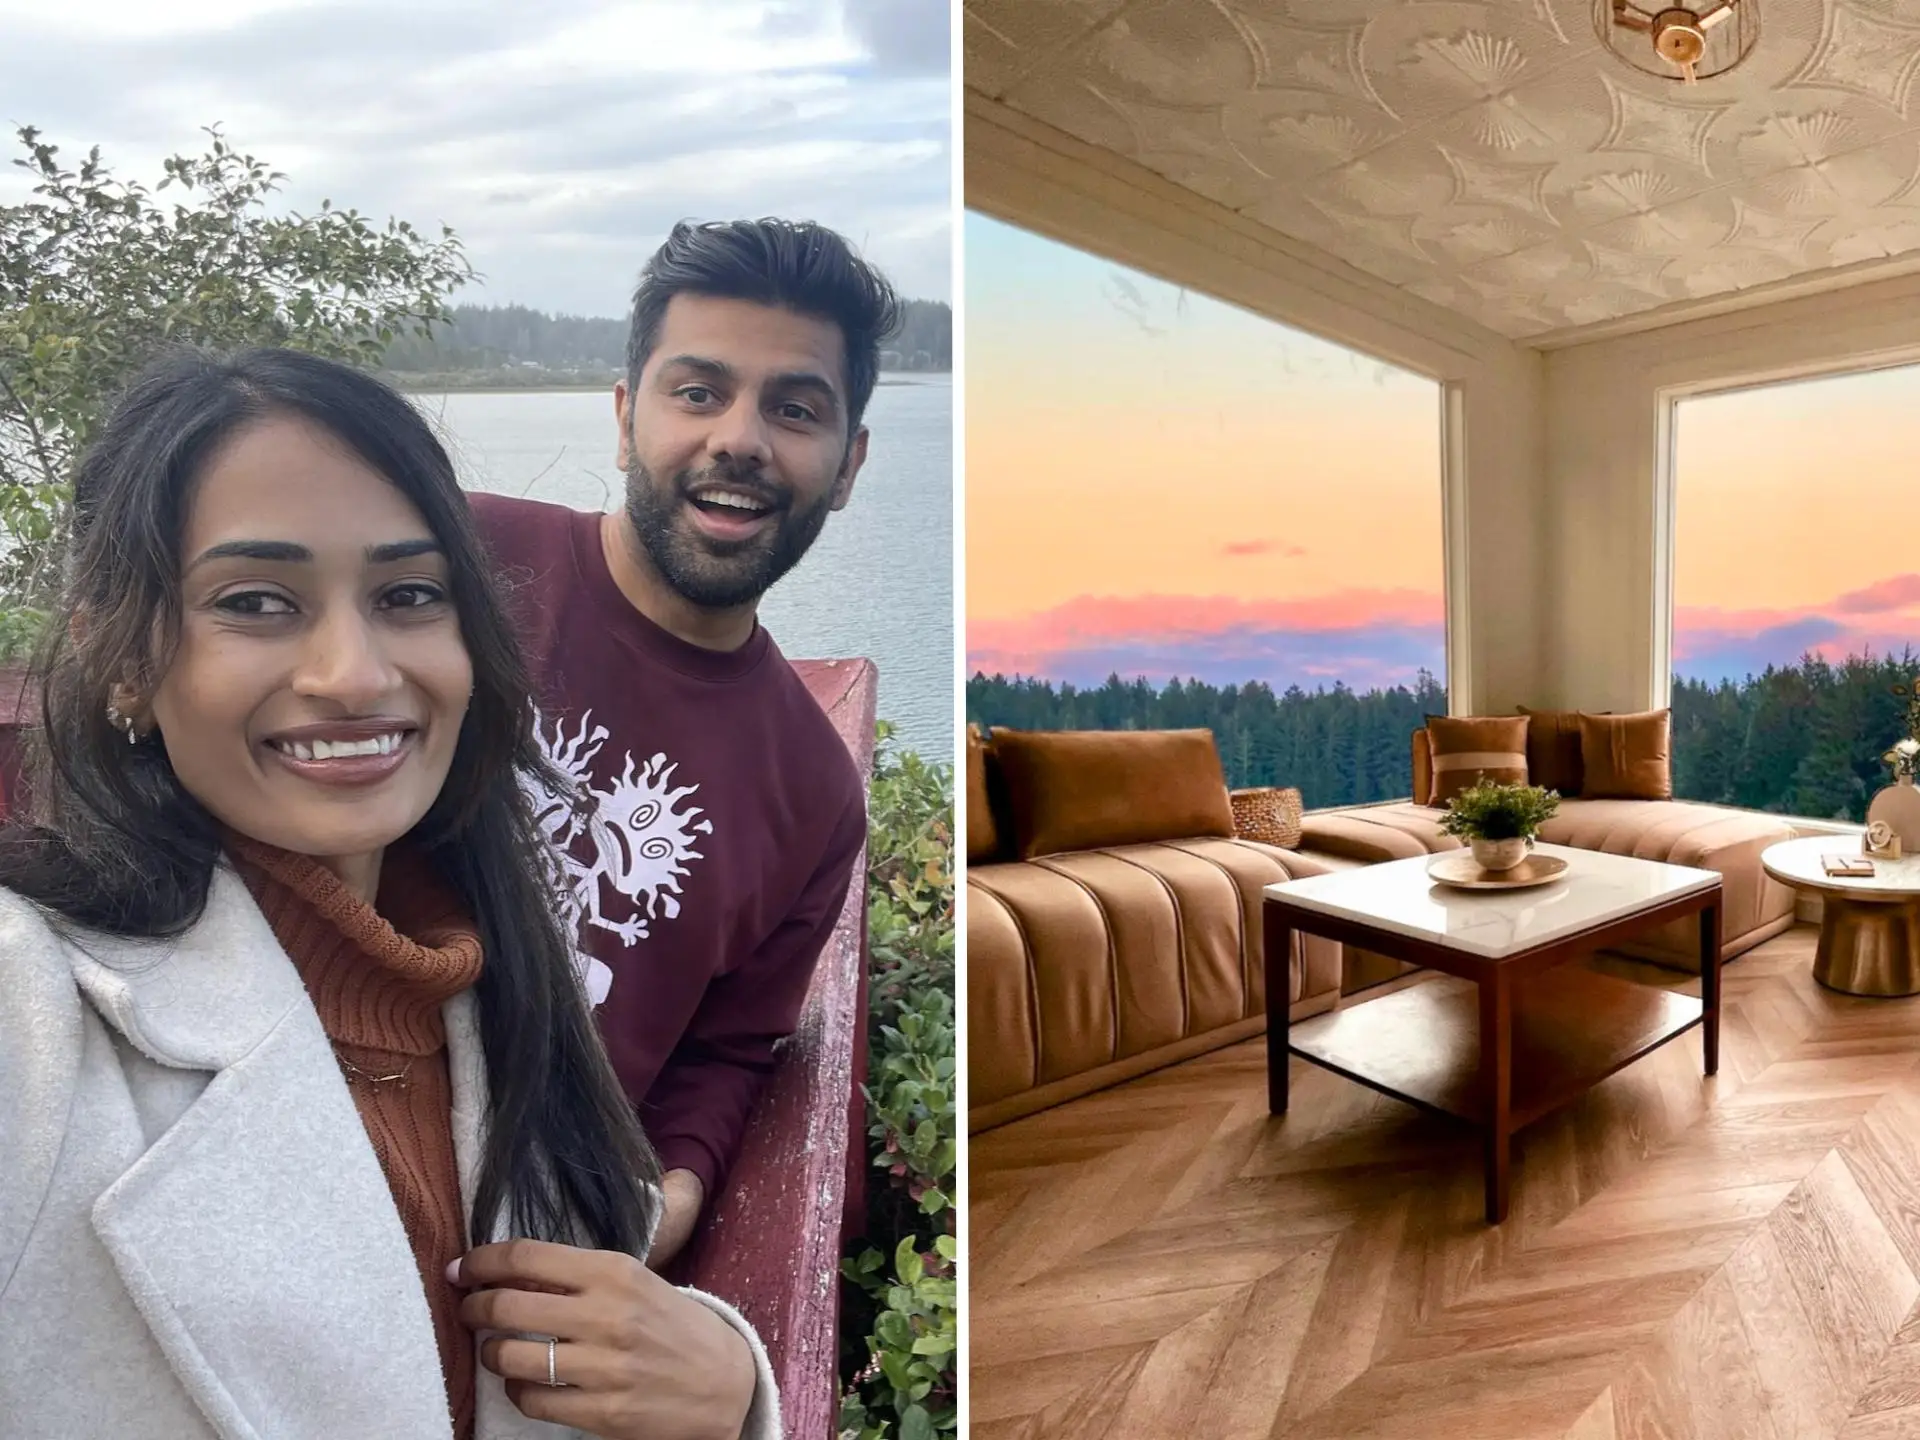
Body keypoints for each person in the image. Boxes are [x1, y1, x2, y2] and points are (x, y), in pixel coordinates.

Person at [0, 347, 777, 1440]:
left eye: (409, 593)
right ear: (120, 660)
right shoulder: (31, 1010)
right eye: (258, 601)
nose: (356, 673)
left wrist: (734, 1391)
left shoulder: (503, 982)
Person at [470, 218, 895, 1263]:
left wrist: (672, 1203)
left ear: (847, 465)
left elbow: (732, 1048)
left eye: (795, 410)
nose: (740, 439)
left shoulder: (812, 793)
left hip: (520, 1256)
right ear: (625, 420)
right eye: (697, 392)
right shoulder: (462, 561)